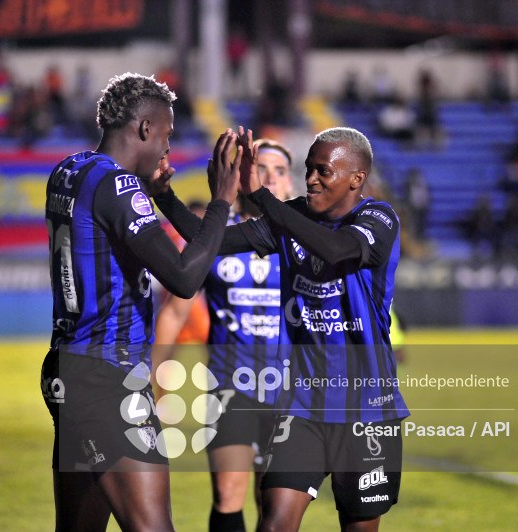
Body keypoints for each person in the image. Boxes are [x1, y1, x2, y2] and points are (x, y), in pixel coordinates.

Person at [155, 126, 409, 532]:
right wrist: (163, 195)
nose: (311, 178)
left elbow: (338, 251)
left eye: (323, 171)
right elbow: (210, 241)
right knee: (273, 523)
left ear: (355, 179)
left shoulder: (378, 218)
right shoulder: (292, 217)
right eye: (309, 169)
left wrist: (262, 197)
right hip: (303, 404)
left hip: (366, 407)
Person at [41, 72, 241, 532]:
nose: (168, 149)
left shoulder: (69, 170)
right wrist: (222, 202)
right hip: (108, 376)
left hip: (67, 369)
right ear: (145, 129)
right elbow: (185, 278)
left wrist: (154, 193)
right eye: (167, 135)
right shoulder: (119, 187)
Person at [153, 139, 294, 532]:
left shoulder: (304, 238)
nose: (269, 176)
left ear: (290, 183)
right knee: (228, 491)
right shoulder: (215, 236)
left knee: (275, 500)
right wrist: (151, 377)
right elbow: (175, 310)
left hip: (291, 388)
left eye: (279, 171)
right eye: (259, 167)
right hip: (231, 386)